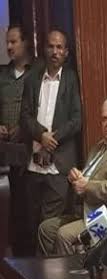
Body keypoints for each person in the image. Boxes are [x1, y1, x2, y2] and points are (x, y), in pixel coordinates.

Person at [37, 98, 107, 256]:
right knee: (45, 229)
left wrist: (86, 185)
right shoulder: (98, 148)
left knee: (64, 236)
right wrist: (76, 178)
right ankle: (51, 270)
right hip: (84, 210)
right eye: (104, 119)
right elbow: (86, 179)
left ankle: (71, 272)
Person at [20, 29, 82, 255]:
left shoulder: (71, 79)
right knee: (31, 225)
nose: (55, 51)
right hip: (33, 166)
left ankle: (45, 274)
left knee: (48, 225)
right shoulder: (32, 79)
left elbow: (76, 120)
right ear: (44, 49)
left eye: (59, 47)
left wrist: (52, 139)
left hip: (58, 167)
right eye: (51, 46)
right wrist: (41, 135)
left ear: (66, 52)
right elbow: (24, 116)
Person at [0, 25, 35, 257]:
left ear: (25, 42)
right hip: (5, 152)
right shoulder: (3, 75)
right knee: (9, 208)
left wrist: (26, 128)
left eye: (14, 42)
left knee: (28, 208)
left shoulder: (37, 71)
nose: (9, 47)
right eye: (7, 43)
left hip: (31, 150)